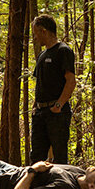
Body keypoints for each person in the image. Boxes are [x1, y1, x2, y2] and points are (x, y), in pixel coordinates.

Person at [31, 14, 76, 164]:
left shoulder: (63, 51)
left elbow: (70, 81)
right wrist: (35, 107)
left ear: (44, 31)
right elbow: (40, 84)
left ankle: (60, 186)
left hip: (57, 113)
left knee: (59, 156)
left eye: (36, 33)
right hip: (40, 113)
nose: (35, 38)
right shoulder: (43, 55)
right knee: (37, 156)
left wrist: (58, 105)